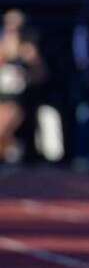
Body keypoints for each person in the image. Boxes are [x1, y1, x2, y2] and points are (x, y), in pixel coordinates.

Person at [0, 10, 47, 165]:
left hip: (18, 98)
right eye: (9, 25)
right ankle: (11, 151)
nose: (12, 29)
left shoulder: (28, 48)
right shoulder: (2, 46)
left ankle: (15, 151)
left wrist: (30, 66)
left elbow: (41, 74)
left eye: (17, 26)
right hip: (2, 96)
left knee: (6, 127)